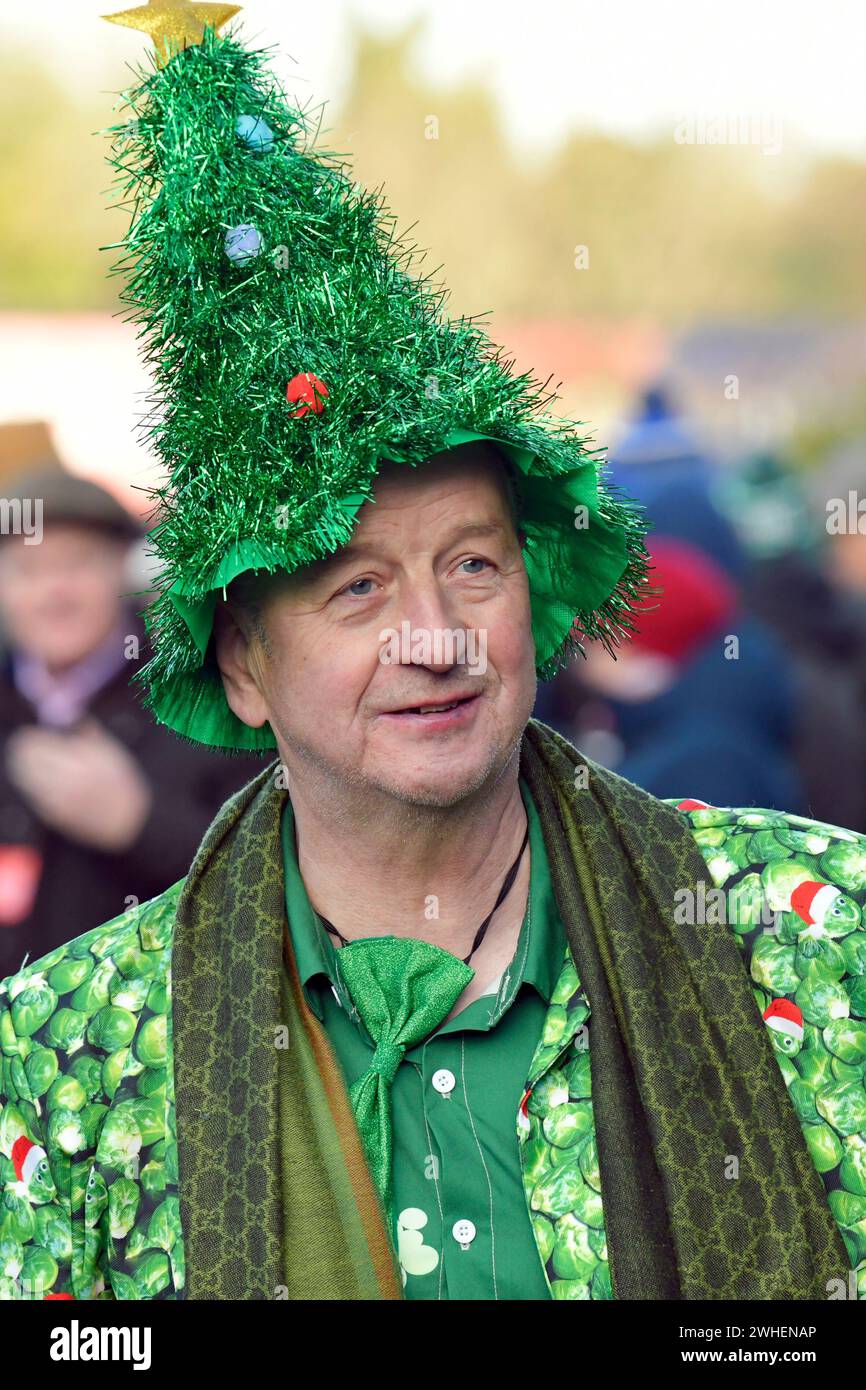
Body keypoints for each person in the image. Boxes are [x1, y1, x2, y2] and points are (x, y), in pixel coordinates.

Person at [1, 7, 864, 1303]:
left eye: (472, 562)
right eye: (354, 586)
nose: (435, 636)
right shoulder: (66, 1056)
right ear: (240, 663)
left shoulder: (812, 936)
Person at [0, 465, 264, 978]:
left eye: (78, 564)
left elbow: (266, 886)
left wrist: (138, 824)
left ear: (120, 569)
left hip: (147, 1036)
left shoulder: (203, 699)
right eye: (28, 571)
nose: (55, 591)